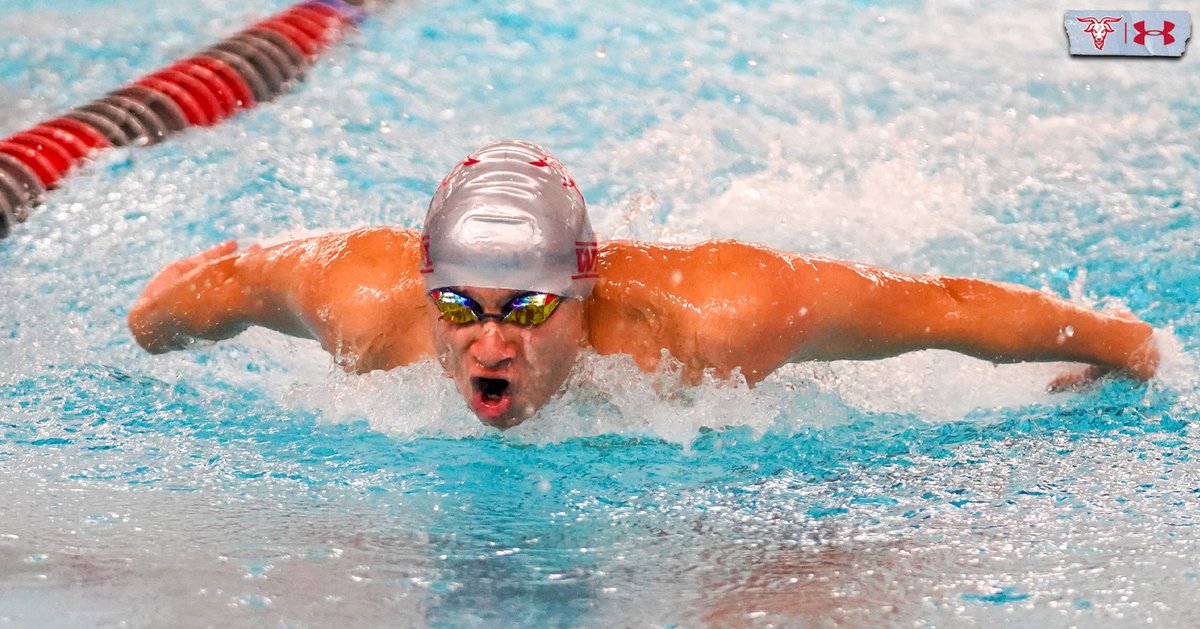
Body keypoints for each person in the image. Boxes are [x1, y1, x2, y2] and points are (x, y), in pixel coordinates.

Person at [128, 139, 1159, 428]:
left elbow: (941, 311)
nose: (491, 346)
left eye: (528, 308)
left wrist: (1123, 348)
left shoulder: (719, 320)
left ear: (584, 291)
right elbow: (214, 291)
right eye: (462, 309)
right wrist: (155, 321)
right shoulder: (360, 305)